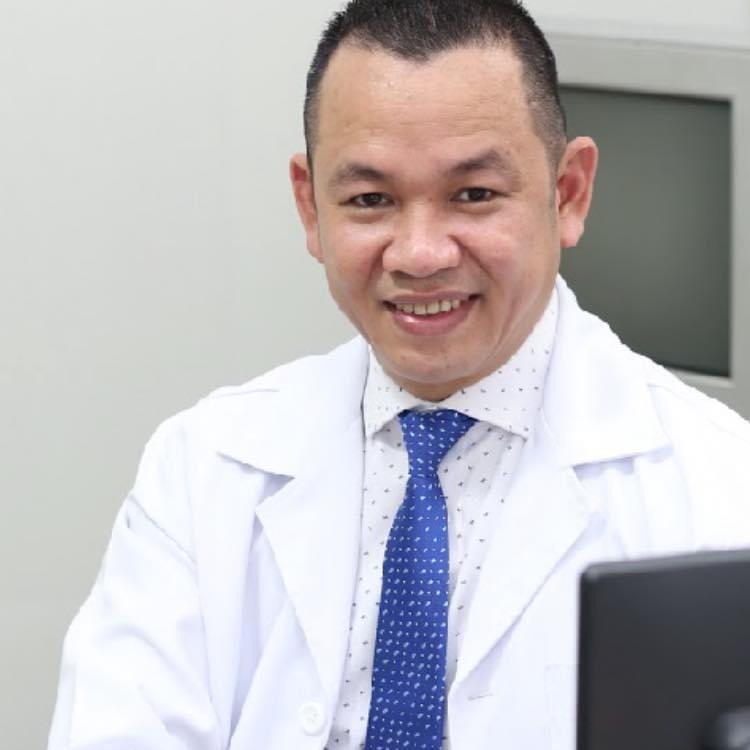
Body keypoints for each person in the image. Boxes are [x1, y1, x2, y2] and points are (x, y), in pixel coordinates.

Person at [48, 1, 750, 749]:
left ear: (569, 192)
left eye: (474, 195)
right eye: (371, 200)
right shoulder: (202, 471)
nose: (420, 254)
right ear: (310, 208)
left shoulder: (721, 493)